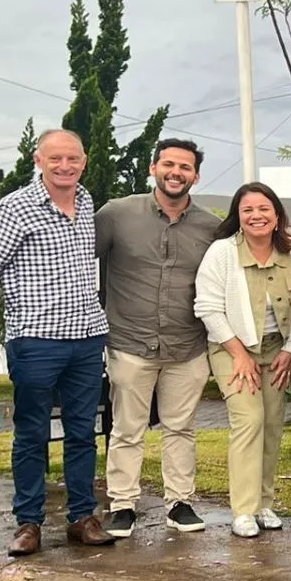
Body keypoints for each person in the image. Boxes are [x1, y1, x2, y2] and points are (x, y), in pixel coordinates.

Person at [0, 129, 116, 556]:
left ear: (84, 160)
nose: (65, 166)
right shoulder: (16, 207)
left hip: (87, 338)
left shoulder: (87, 203)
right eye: (56, 159)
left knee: (83, 431)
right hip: (36, 340)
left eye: (73, 159)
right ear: (38, 160)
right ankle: (28, 522)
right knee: (31, 433)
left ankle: (82, 516)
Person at [95, 138, 222, 537]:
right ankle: (122, 504)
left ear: (196, 176)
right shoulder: (116, 214)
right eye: (168, 164)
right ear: (153, 168)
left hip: (187, 345)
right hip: (129, 341)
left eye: (185, 167)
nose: (176, 173)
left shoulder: (211, 227)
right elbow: (83, 263)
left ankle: (180, 502)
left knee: (181, 427)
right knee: (126, 428)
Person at [194, 183, 291, 537]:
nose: (256, 216)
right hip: (231, 349)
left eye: (264, 209)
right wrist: (240, 355)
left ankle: (264, 504)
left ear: (276, 215)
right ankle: (243, 510)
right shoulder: (222, 252)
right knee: (249, 419)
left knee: (272, 423)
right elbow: (207, 307)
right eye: (248, 210)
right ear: (238, 217)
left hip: (278, 350)